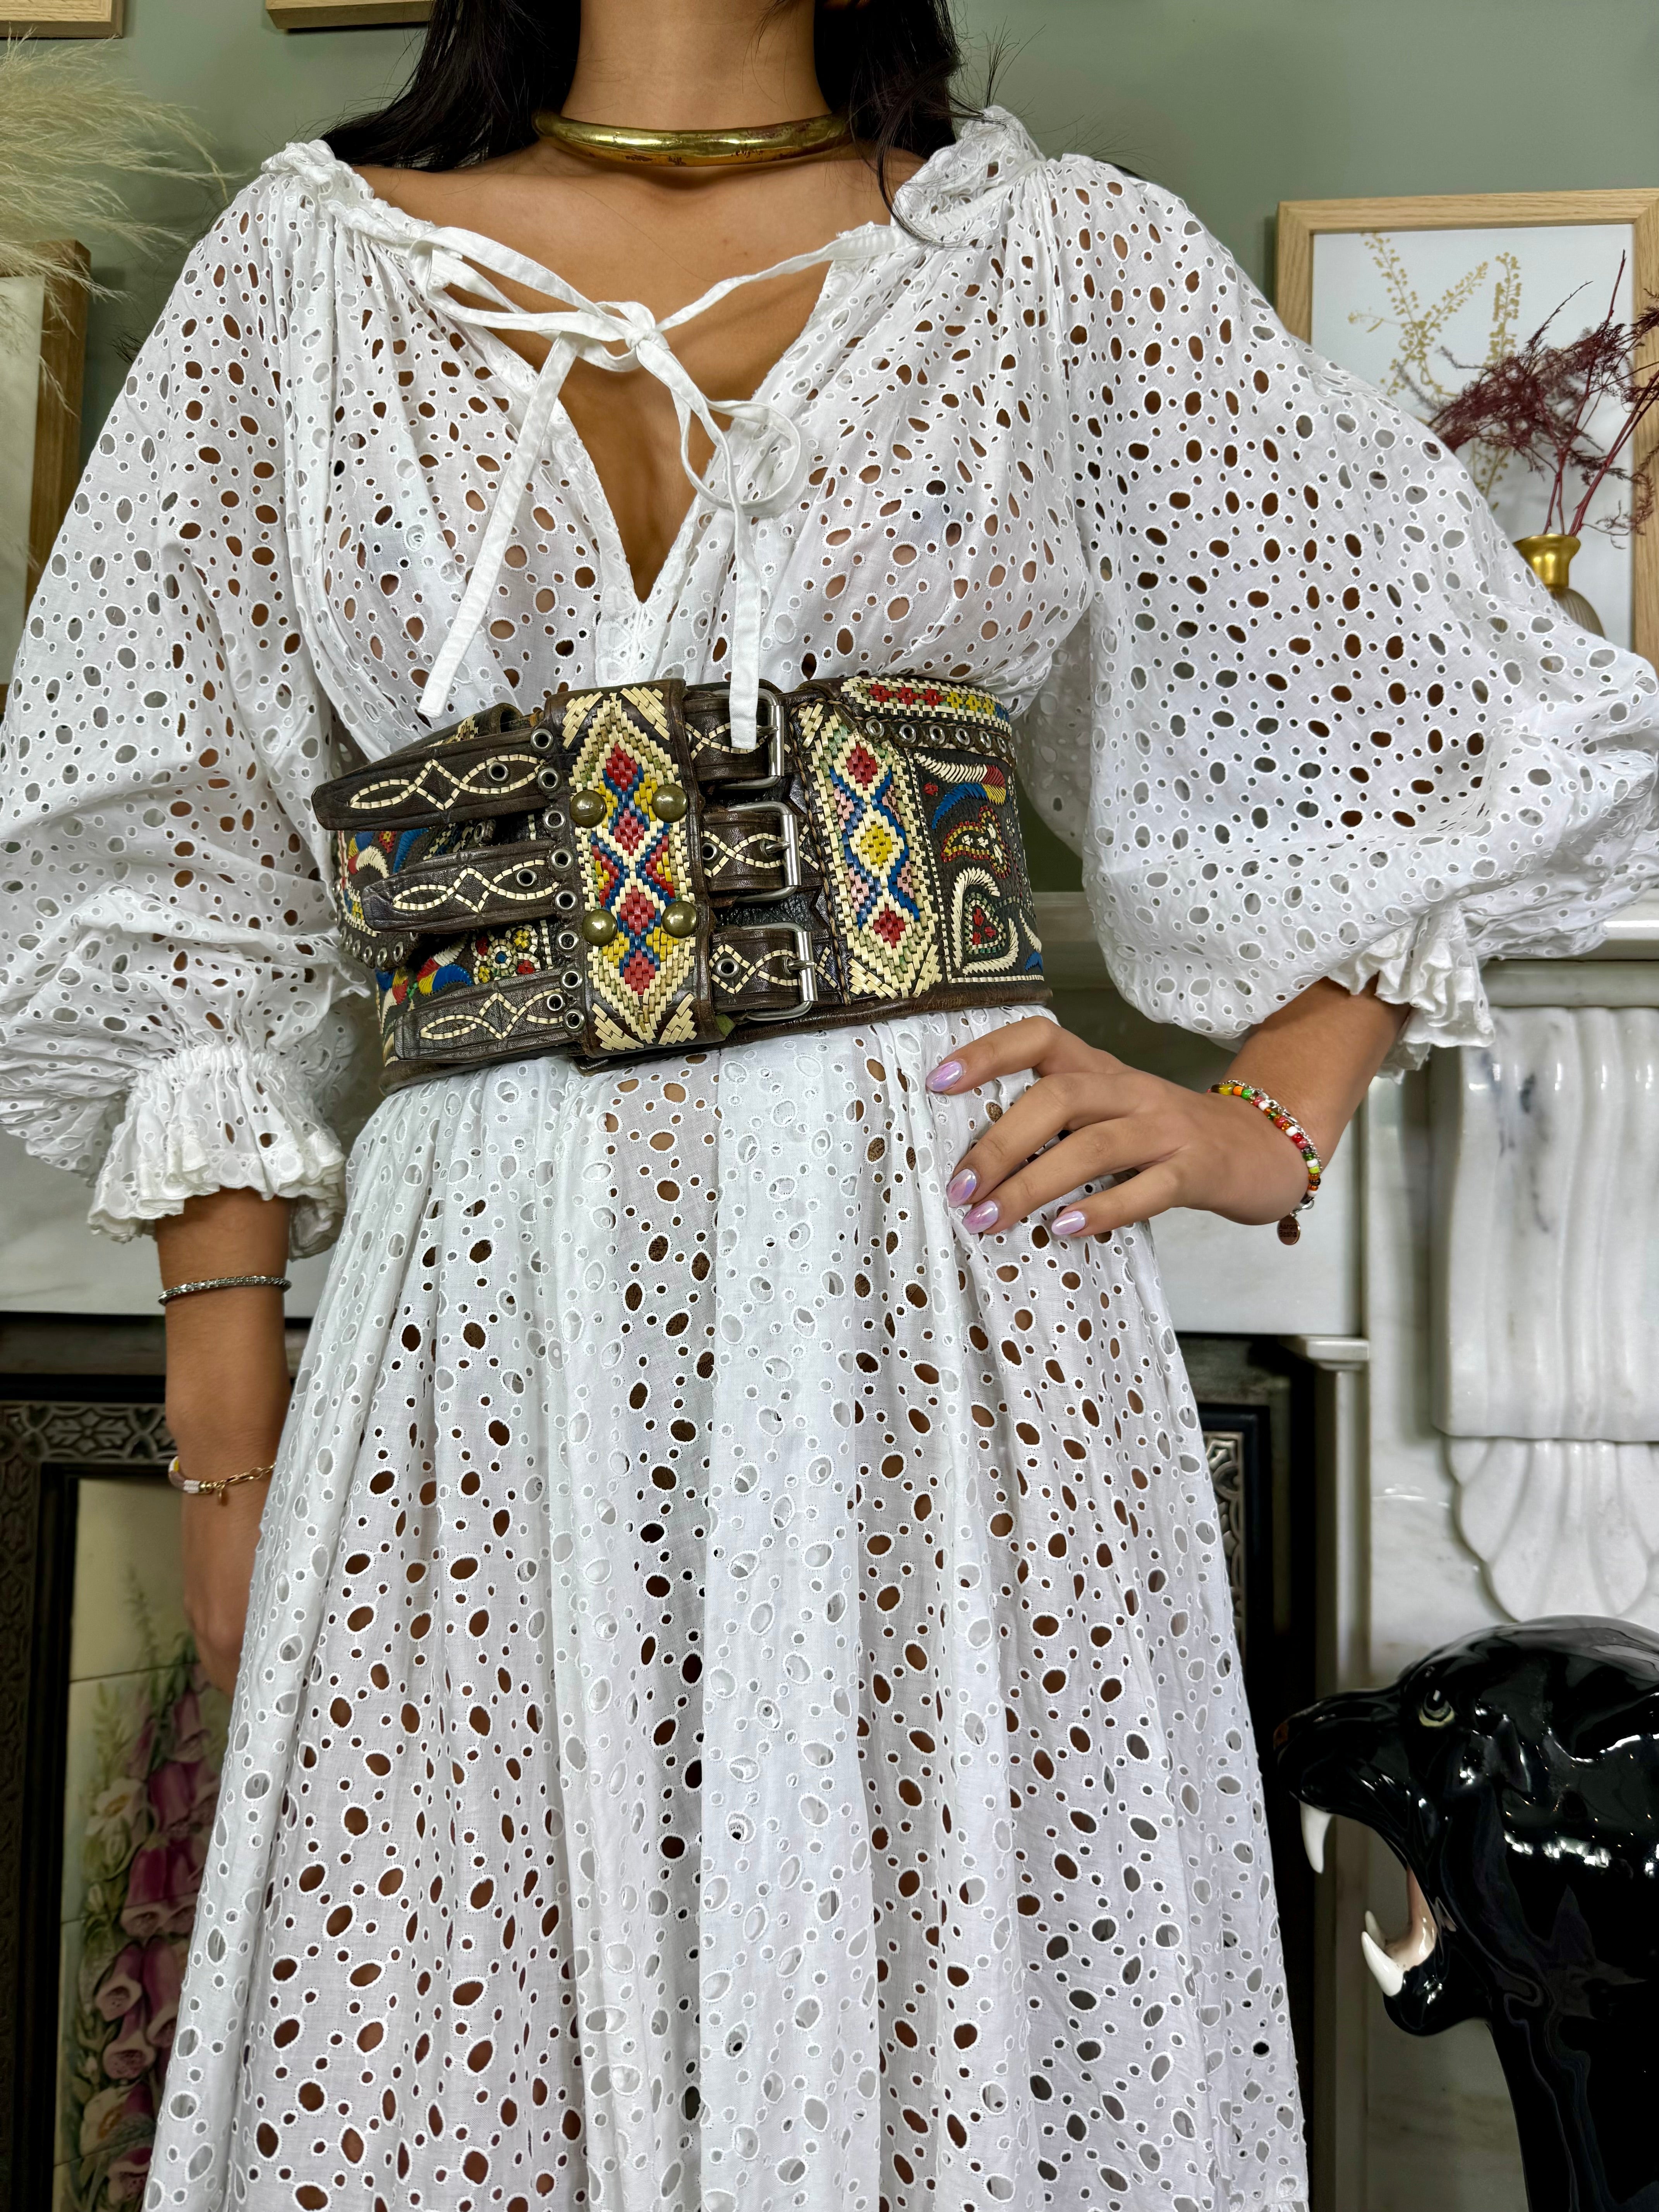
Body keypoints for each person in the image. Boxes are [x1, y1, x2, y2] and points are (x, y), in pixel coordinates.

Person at [2, 1, 1654, 2205]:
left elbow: (1458, 728)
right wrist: (227, 1449)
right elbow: (176, 883)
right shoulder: (299, 277)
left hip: (942, 1314)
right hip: (476, 1330)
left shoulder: (1058, 260)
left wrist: (1268, 1119)